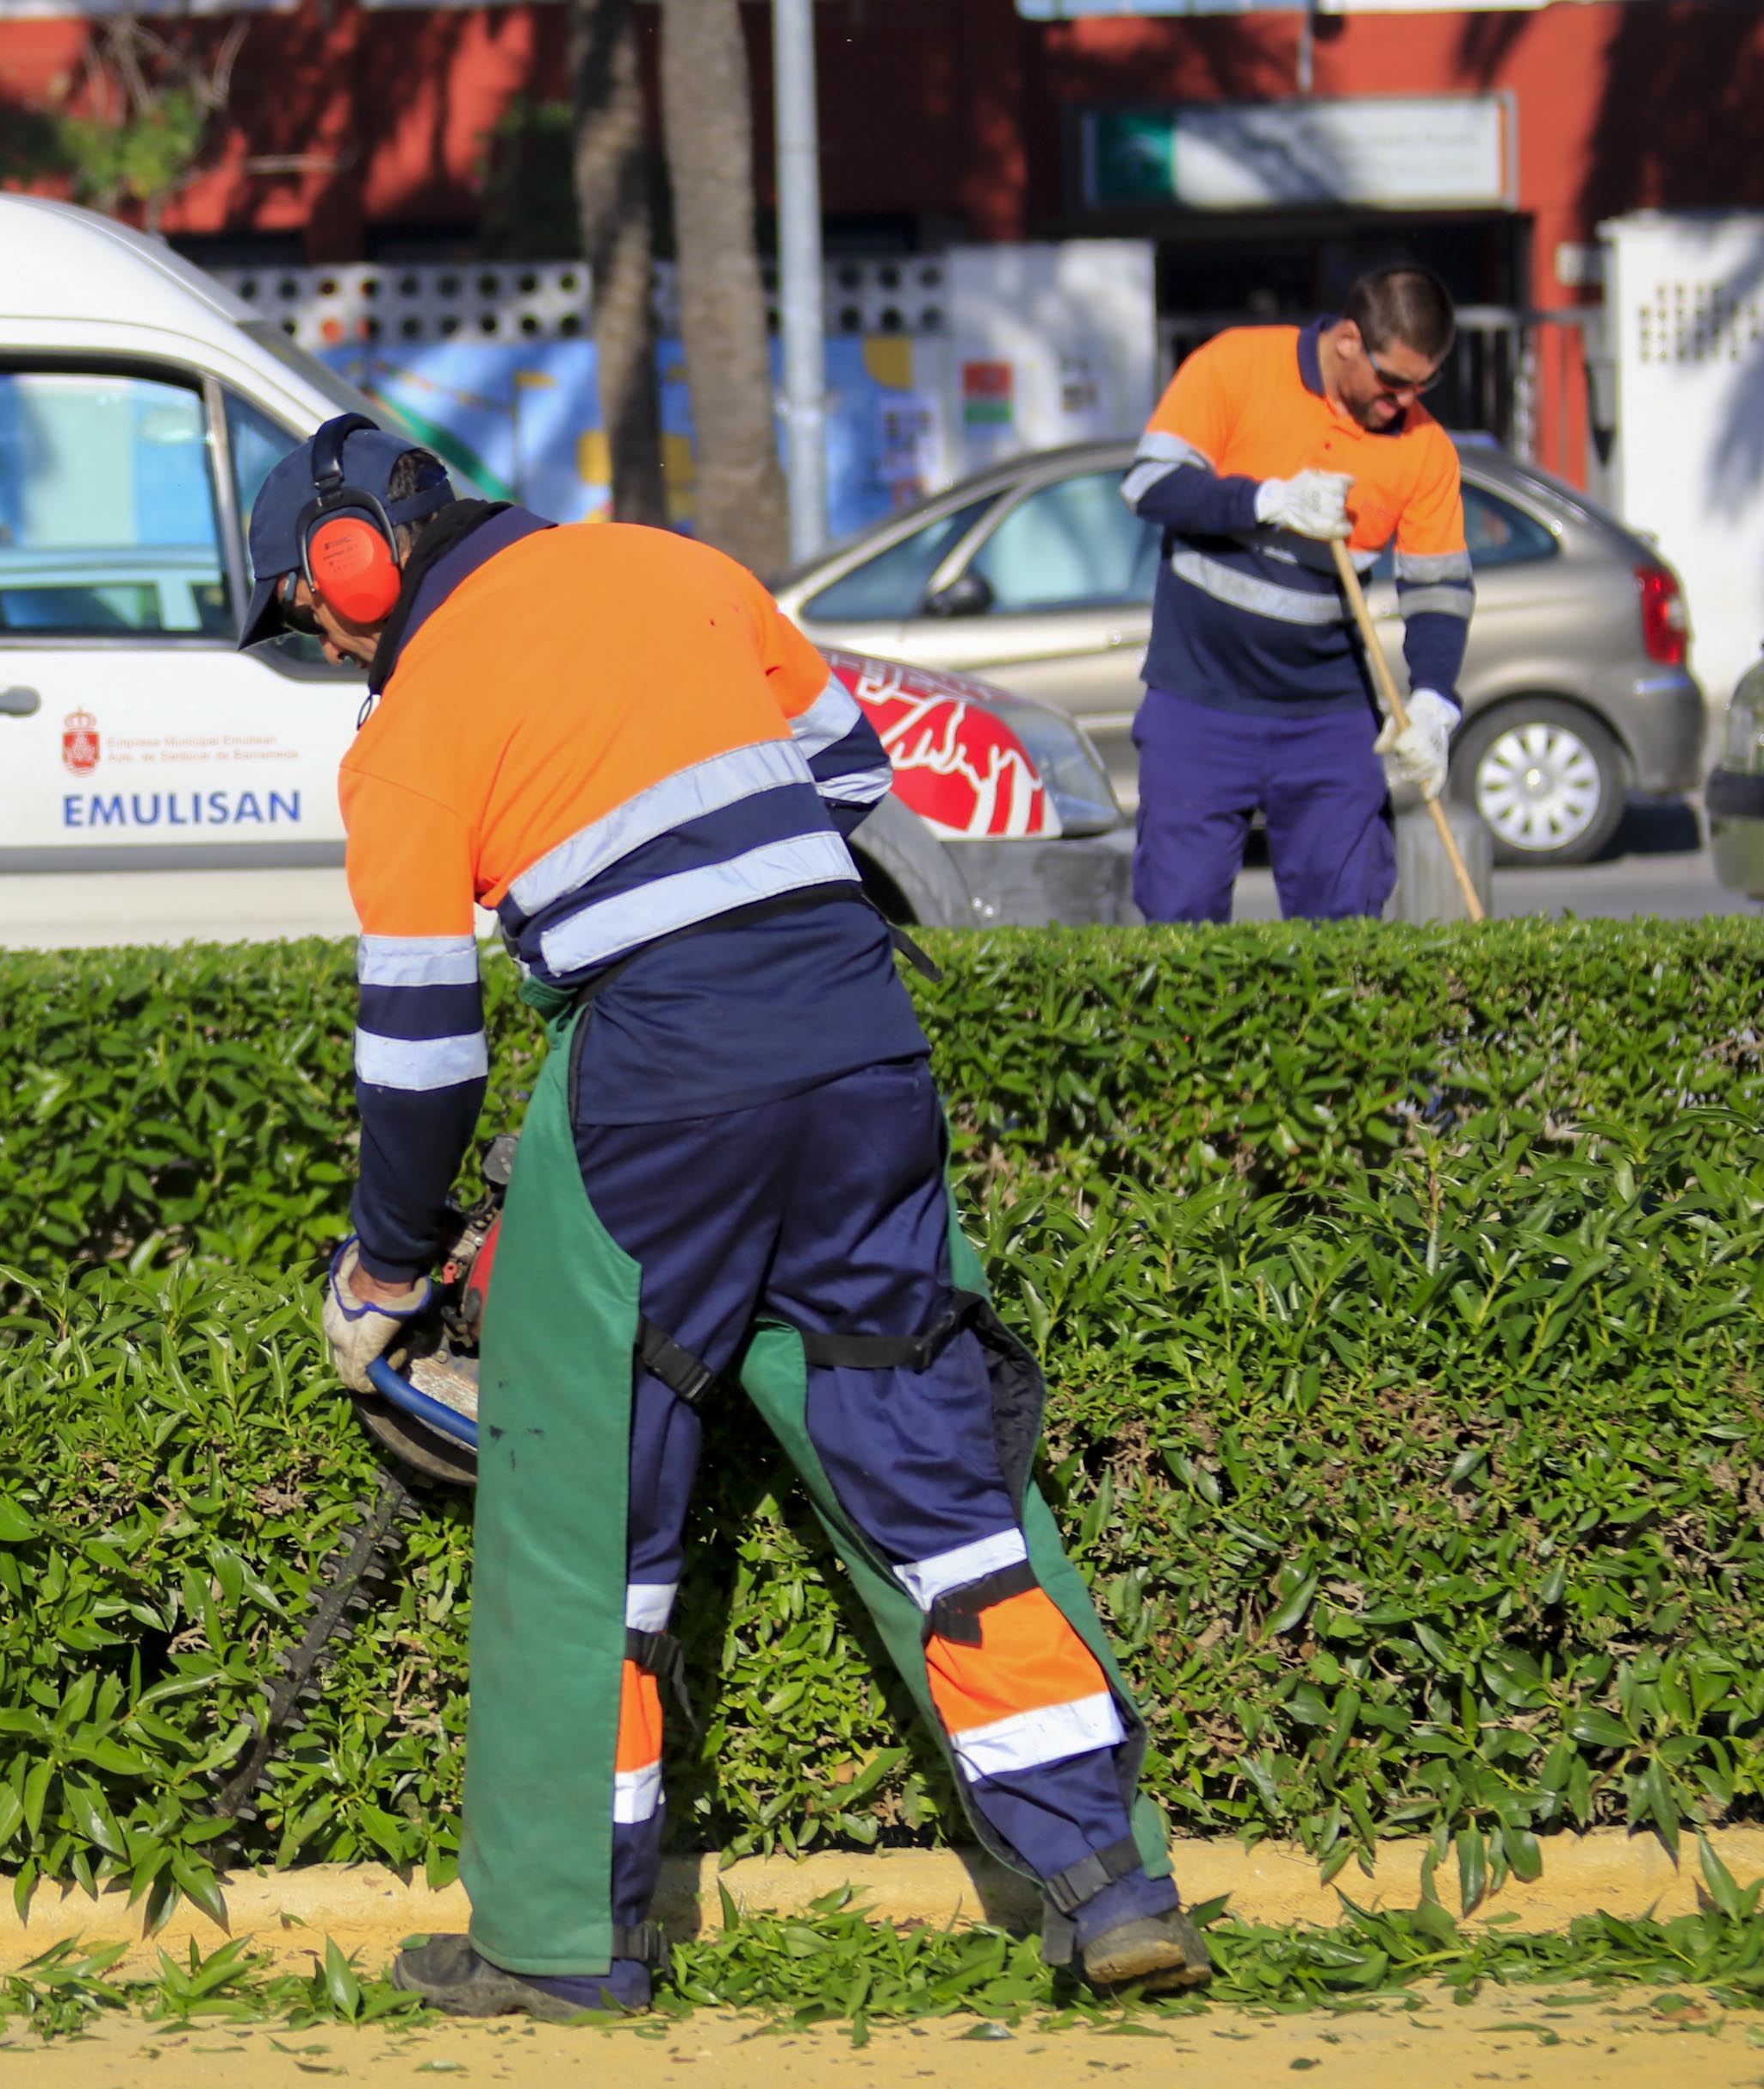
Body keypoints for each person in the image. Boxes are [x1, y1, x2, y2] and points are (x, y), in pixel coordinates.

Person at [236, 413, 1210, 2018]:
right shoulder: (673, 566)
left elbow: (419, 1045)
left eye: (315, 615)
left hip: (656, 1084)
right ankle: (1108, 1885)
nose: (333, 648)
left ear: (354, 560)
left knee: (580, 1520)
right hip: (858, 1038)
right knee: (941, 1490)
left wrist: (384, 1270)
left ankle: (558, 1946)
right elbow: (848, 770)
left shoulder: (406, 734)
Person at [1122, 266, 1475, 923]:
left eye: (1423, 384)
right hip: (1198, 700)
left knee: (1344, 925)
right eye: (1393, 381)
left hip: (1328, 715)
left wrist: (1433, 700)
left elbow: (1439, 588)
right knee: (1180, 918)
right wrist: (1268, 499)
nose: (1403, 401)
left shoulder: (1425, 451)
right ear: (1347, 339)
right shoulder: (1236, 364)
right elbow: (1150, 487)